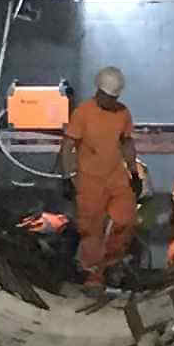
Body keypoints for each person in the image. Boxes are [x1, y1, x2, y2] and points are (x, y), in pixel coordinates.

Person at [59, 66, 139, 289]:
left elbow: (127, 143)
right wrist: (67, 177)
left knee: (125, 219)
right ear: (99, 92)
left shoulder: (123, 113)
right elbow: (67, 146)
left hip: (116, 177)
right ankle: (93, 275)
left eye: (116, 97)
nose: (112, 102)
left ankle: (112, 264)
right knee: (91, 229)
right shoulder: (83, 113)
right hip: (90, 181)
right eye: (109, 97)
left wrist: (134, 173)